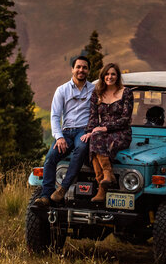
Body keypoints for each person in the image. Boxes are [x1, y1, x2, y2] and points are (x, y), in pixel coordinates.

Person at [35, 55, 95, 206]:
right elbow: (55, 116)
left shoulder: (94, 90)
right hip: (66, 132)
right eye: (78, 67)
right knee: (50, 157)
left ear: (88, 71)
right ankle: (46, 195)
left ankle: (63, 187)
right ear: (72, 69)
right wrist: (59, 137)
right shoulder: (62, 90)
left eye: (84, 67)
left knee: (81, 148)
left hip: (83, 131)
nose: (81, 70)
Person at [81, 63, 134, 202]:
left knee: (96, 140)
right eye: (107, 74)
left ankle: (102, 187)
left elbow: (125, 119)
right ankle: (106, 176)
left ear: (117, 76)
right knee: (93, 138)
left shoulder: (126, 92)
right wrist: (89, 131)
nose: (109, 77)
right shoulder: (97, 93)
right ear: (103, 76)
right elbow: (92, 117)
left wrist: (105, 128)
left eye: (113, 74)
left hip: (121, 132)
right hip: (101, 134)